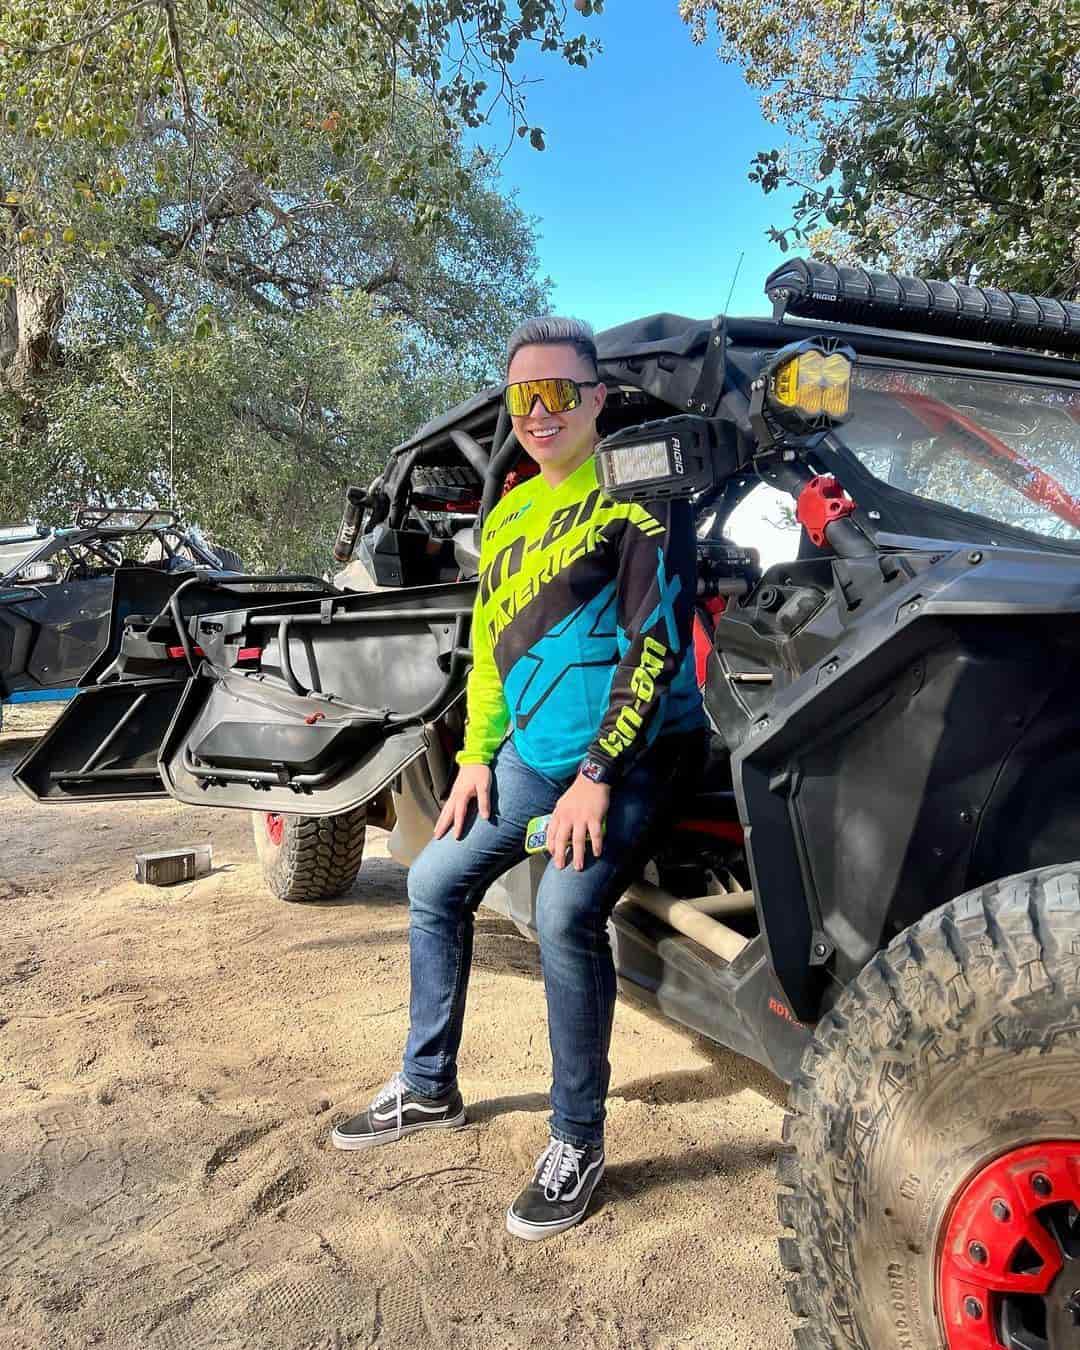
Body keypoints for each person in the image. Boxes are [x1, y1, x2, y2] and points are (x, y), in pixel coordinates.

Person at [332, 318, 706, 1240]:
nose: (540, 412)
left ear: (596, 397)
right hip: (531, 760)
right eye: (522, 397)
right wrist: (474, 759)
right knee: (432, 883)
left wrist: (597, 776)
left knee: (565, 913)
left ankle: (577, 1140)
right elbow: (495, 654)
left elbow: (652, 647)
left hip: (637, 756)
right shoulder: (506, 513)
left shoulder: (639, 495)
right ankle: (429, 1085)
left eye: (558, 392)